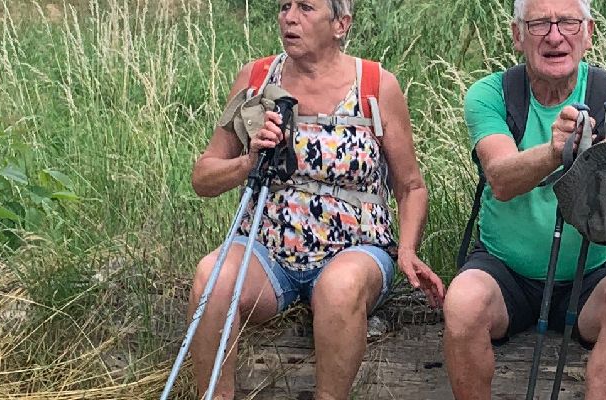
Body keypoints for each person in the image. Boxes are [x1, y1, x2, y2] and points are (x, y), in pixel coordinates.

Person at [184, 1, 443, 398]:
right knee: (210, 276)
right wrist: (248, 162)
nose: (289, 17)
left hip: (356, 247)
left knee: (339, 287)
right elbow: (203, 177)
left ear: (341, 24)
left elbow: (411, 187)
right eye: (284, 6)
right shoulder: (256, 80)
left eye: (306, 7)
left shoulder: (375, 84)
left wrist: (407, 249)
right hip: (266, 247)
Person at [439, 0, 606, 398]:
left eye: (569, 22)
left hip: (590, 274)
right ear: (517, 35)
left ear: (588, 34)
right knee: (464, 301)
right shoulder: (492, 94)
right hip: (505, 273)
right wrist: (556, 151)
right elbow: (500, 179)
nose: (555, 36)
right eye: (539, 24)